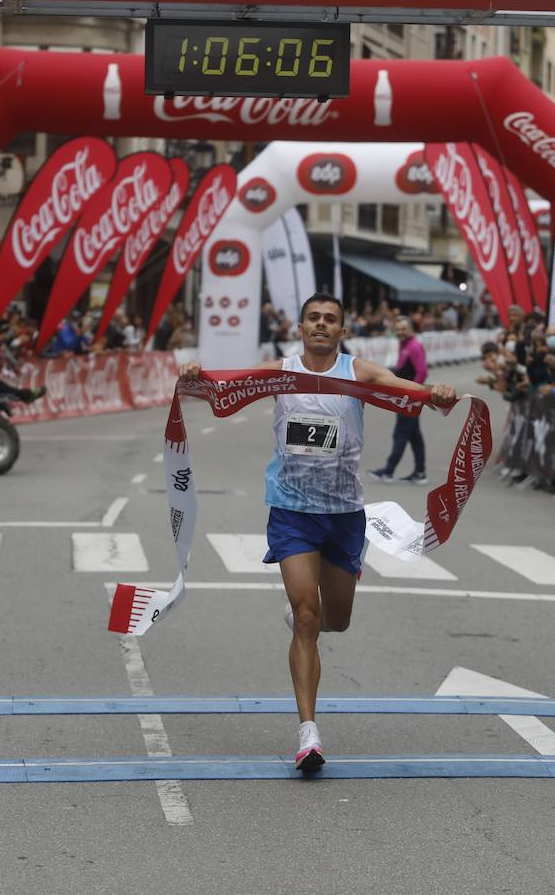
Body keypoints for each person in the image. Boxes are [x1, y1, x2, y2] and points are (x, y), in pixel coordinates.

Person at [178, 293, 455, 772]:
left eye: (330, 319)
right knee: (308, 616)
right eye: (313, 319)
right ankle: (308, 732)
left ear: (342, 330)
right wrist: (195, 376)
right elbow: (223, 387)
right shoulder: (281, 372)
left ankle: (306, 620)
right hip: (291, 512)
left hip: (345, 514)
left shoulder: (358, 372)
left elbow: (406, 389)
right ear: (301, 327)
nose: (321, 325)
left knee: (337, 619)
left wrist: (438, 395)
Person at [368, 316, 429, 484]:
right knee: (414, 435)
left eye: (404, 328)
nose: (400, 332)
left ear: (411, 329)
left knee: (400, 434)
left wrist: (413, 395)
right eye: (398, 329)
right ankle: (420, 472)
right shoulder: (405, 345)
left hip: (408, 399)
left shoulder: (414, 346)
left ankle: (388, 470)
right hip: (405, 398)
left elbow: (422, 372)